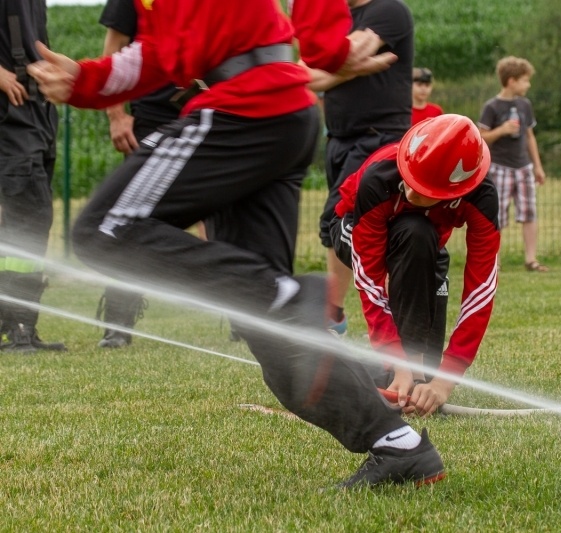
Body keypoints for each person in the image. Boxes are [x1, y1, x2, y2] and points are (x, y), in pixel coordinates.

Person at [28, 0, 445, 489]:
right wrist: (86, 79)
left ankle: (286, 296)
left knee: (104, 228)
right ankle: (399, 446)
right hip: (274, 114)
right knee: (275, 340)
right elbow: (161, 53)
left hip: (244, 108)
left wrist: (326, 45)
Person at [329, 114, 500, 416]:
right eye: (410, 179)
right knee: (414, 230)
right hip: (352, 225)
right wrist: (402, 364)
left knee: (430, 372)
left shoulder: (482, 196)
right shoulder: (380, 177)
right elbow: (370, 282)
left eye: (426, 190)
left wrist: (444, 382)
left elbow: (481, 291)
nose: (410, 192)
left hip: (425, 244)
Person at [308, 0, 414, 337]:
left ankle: (355, 315)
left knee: (341, 221)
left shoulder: (388, 10)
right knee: (336, 228)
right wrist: (355, 70)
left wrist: (333, 71)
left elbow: (345, 54)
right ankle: (334, 315)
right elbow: (303, 74)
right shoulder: (335, 18)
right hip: (339, 139)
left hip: (379, 139)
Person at [93, 0, 181, 348]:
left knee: (228, 215)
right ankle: (118, 321)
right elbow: (111, 52)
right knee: (128, 220)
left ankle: (244, 317)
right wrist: (116, 115)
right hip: (151, 119)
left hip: (210, 110)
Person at [0, 0, 66, 353]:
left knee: (34, 218)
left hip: (37, 111)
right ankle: (17, 326)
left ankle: (22, 321)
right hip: (11, 114)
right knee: (26, 217)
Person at [478, 56, 548, 272]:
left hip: (523, 167)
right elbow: (480, 137)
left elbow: (530, 136)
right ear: (511, 81)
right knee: (497, 215)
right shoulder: (492, 107)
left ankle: (531, 259)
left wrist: (537, 166)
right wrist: (502, 130)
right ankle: (494, 261)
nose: (528, 85)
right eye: (525, 80)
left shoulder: (525, 105)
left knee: (529, 212)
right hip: (499, 167)